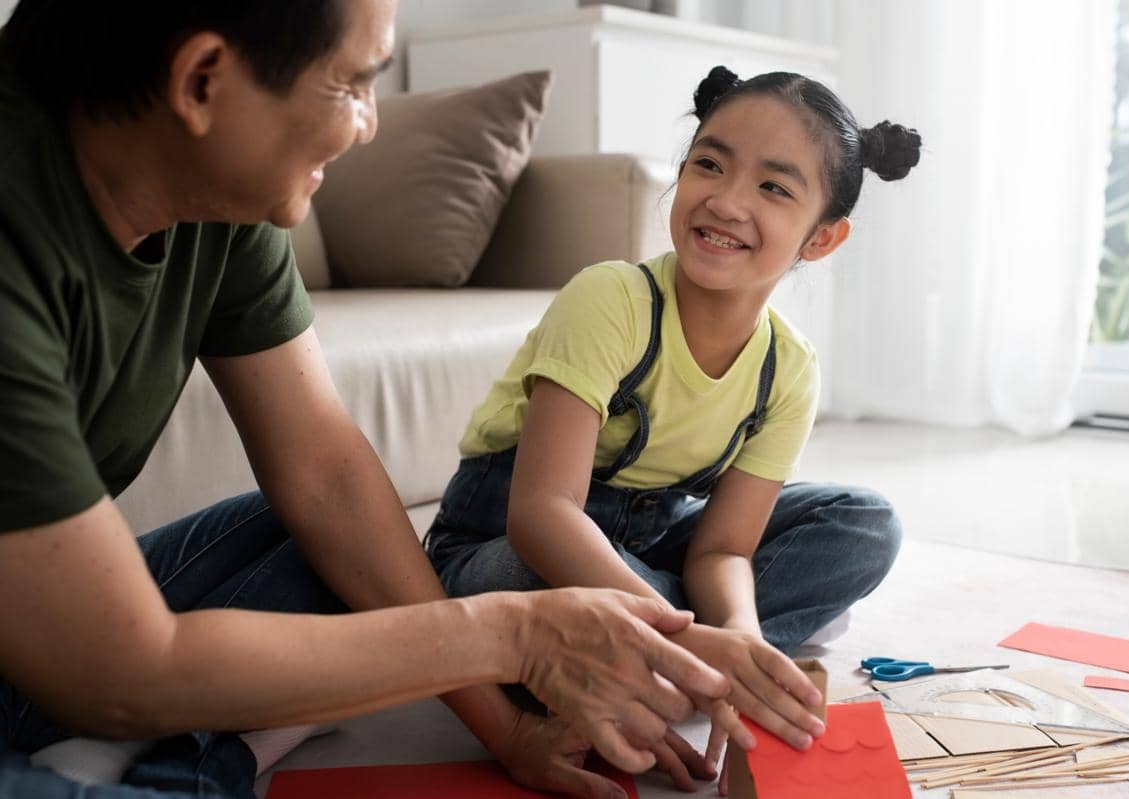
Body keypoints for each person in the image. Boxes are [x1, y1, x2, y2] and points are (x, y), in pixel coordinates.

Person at [0, 2, 752, 798]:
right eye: (353, 84)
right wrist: (512, 635)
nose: (368, 125)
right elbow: (121, 667)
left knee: (335, 546)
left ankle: (140, 755)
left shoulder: (215, 190)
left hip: (46, 624)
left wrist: (508, 728)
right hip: (86, 657)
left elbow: (326, 476)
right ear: (202, 82)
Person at [425, 65, 922, 792]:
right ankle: (659, 660)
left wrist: (739, 635)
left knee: (865, 524)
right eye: (709, 165)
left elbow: (722, 548)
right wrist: (693, 643)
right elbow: (541, 515)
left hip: (654, 546)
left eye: (773, 187)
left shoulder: (788, 369)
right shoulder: (612, 298)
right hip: (512, 544)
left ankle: (655, 662)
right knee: (529, 581)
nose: (726, 201)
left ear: (822, 238)